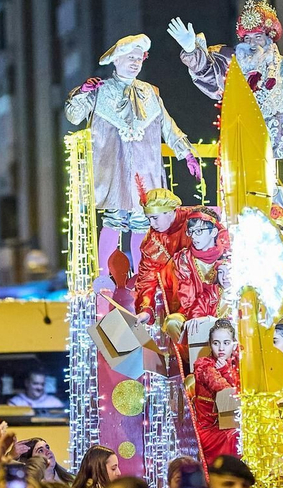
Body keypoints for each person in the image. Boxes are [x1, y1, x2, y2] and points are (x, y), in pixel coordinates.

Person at [168, 0, 283, 215]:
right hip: (244, 157)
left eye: (258, 36)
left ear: (270, 38)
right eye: (248, 38)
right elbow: (208, 72)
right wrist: (192, 50)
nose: (253, 43)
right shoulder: (234, 72)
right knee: (245, 214)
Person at [64, 33, 200, 284]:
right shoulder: (100, 90)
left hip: (144, 169)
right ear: (116, 60)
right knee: (113, 219)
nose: (135, 62)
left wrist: (187, 153)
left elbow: (168, 127)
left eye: (139, 58)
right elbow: (73, 116)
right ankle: (104, 277)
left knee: (142, 222)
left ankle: (142, 277)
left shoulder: (150, 93)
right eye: (130, 58)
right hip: (113, 168)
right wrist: (82, 91)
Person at [132, 186, 188, 324]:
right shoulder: (152, 240)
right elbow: (147, 277)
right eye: (149, 219)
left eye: (155, 218)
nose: (152, 224)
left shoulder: (197, 221)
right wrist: (146, 309)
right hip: (177, 304)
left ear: (169, 212)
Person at [191, 319, 241, 463]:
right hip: (210, 427)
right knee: (236, 436)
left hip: (232, 421)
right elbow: (226, 391)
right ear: (210, 344)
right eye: (216, 343)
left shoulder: (238, 362)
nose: (221, 348)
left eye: (226, 343)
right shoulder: (204, 365)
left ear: (234, 344)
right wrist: (225, 371)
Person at [167, 210, 230, 321]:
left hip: (225, 309)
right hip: (193, 313)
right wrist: (199, 317)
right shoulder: (183, 259)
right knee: (173, 322)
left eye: (199, 231)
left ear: (213, 232)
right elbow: (186, 296)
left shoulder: (228, 255)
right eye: (191, 232)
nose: (194, 237)